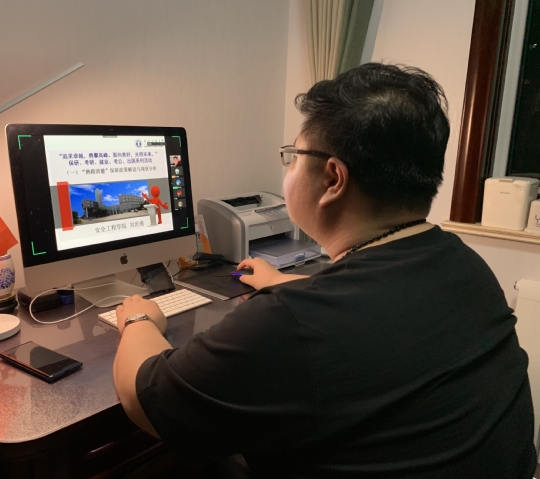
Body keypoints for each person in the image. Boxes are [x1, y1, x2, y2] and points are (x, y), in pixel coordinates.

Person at [113, 63, 536, 478]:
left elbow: (143, 398)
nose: (287, 169)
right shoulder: (464, 265)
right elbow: (379, 308)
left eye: (292, 158)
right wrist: (282, 280)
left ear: (333, 177)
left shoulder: (289, 322)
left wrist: (138, 320)